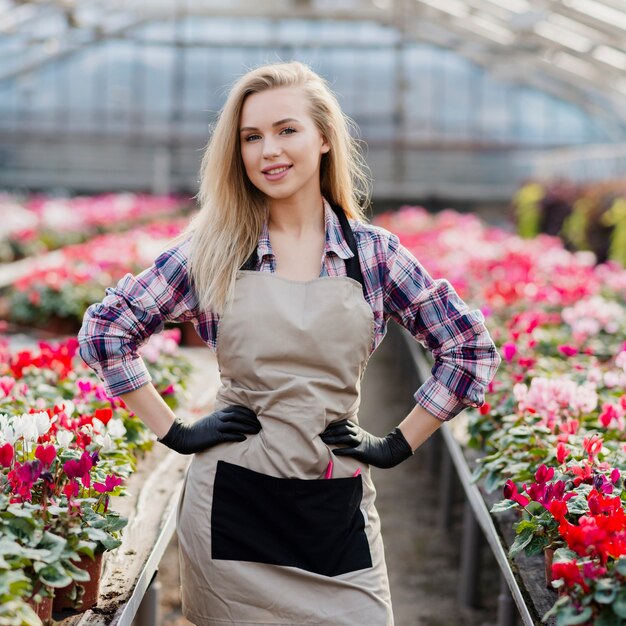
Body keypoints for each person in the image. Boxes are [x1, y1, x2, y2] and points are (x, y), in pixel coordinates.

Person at [78, 60, 501, 626]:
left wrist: (397, 444)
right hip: (232, 510)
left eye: (287, 130)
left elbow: (469, 349)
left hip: (334, 506)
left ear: (325, 138)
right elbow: (107, 329)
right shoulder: (215, 250)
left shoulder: (373, 255)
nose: (268, 150)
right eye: (251, 137)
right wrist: (174, 432)